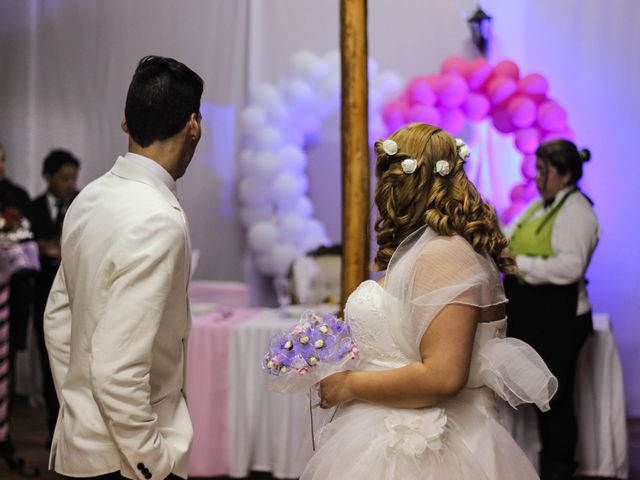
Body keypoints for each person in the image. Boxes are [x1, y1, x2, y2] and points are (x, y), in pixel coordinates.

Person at [301, 123, 557, 480]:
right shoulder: (435, 246)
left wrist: (349, 385)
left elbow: (443, 375)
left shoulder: (445, 254)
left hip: (429, 449)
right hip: (398, 429)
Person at [44, 55, 203, 480]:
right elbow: (117, 371)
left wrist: (79, 407)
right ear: (194, 125)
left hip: (84, 444)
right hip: (126, 462)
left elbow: (58, 320)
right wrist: (154, 462)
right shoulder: (158, 218)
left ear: (125, 122)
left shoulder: (89, 198)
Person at [502, 139, 599, 480]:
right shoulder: (537, 207)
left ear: (566, 174)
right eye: (537, 170)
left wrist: (519, 264)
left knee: (556, 401)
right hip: (539, 316)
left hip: (562, 319)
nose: (538, 178)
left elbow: (571, 267)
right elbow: (506, 236)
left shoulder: (578, 212)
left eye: (544, 171)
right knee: (544, 399)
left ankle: (559, 469)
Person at [30, 148, 80, 441]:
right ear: (47, 177)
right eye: (64, 177)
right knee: (50, 360)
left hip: (76, 299)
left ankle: (76, 426)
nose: (70, 184)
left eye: (73, 177)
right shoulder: (33, 207)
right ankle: (54, 426)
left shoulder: (83, 202)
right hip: (42, 295)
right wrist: (41, 247)